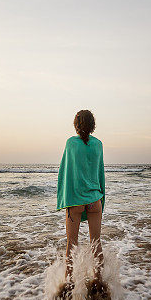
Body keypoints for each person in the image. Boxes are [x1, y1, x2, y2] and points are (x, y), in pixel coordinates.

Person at [56, 109, 105, 282]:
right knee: (96, 243)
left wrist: (64, 200)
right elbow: (100, 174)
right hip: (94, 200)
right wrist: (101, 199)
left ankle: (68, 283)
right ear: (93, 125)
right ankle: (98, 281)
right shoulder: (98, 144)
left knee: (72, 244)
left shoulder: (70, 143)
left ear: (76, 125)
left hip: (76, 200)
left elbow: (65, 174)